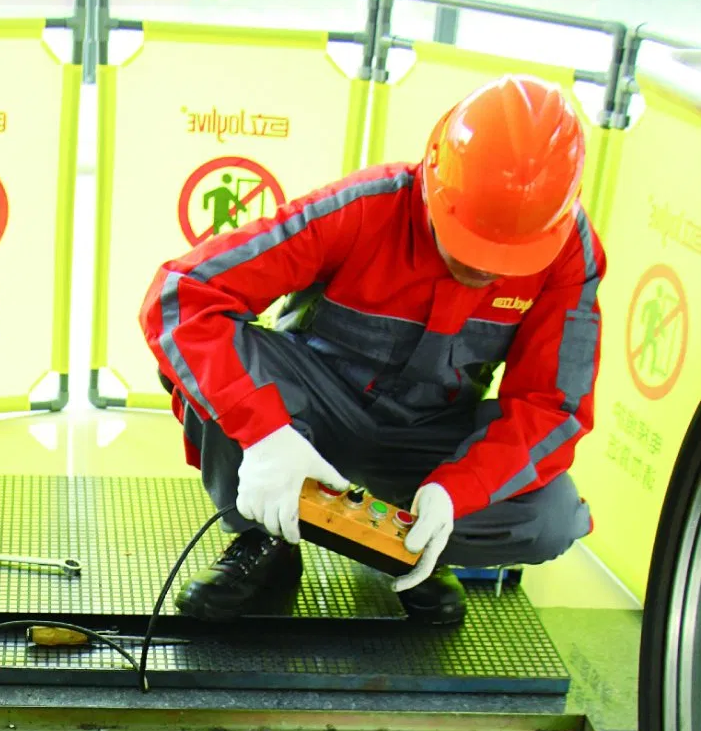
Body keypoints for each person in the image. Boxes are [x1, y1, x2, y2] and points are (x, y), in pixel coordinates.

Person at [140, 74, 605, 628]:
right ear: (431, 182)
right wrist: (265, 435)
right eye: (469, 243)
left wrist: (456, 492)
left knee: (550, 518)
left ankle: (410, 545)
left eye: (507, 258)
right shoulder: (363, 209)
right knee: (210, 363)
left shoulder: (570, 254)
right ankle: (266, 540)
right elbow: (182, 295)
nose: (483, 268)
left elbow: (552, 405)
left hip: (428, 440)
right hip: (309, 420)